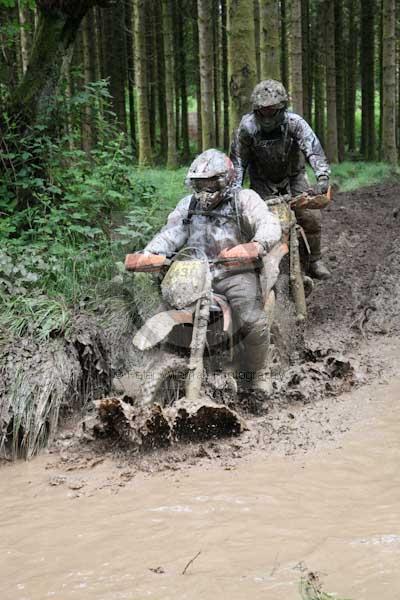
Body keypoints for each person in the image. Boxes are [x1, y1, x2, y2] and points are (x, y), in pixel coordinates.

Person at [142, 148, 282, 393]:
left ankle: (260, 372)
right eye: (200, 183)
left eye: (210, 182)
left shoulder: (244, 199)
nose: (205, 189)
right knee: (162, 309)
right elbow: (170, 233)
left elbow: (268, 222)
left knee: (249, 317)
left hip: (235, 273)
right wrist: (148, 254)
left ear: (224, 179)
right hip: (194, 274)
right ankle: (149, 369)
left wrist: (255, 245)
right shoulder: (188, 204)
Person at [230, 79, 331, 280]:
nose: (267, 116)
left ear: (282, 108)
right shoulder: (246, 128)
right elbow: (238, 162)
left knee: (310, 216)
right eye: (263, 111)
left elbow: (313, 148)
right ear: (256, 110)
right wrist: (235, 191)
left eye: (272, 110)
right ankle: (255, 263)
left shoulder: (295, 123)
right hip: (261, 181)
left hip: (293, 177)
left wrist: (322, 176)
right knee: (255, 220)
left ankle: (314, 260)